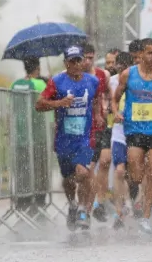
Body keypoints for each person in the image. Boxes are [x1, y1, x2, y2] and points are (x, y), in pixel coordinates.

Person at [35, 46, 103, 231]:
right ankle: (72, 204)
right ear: (66, 63)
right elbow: (39, 105)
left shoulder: (93, 81)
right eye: (72, 61)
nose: (76, 64)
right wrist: (59, 103)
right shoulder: (56, 81)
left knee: (83, 172)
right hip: (64, 138)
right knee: (68, 179)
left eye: (78, 60)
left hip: (85, 137)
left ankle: (84, 211)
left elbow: (97, 99)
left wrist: (98, 115)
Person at [112, 38, 152, 235]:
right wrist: (116, 112)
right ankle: (133, 194)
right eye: (150, 53)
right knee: (136, 176)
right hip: (134, 129)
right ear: (141, 55)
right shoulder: (128, 74)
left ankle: (146, 218)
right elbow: (115, 98)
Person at [10, 55, 50, 218]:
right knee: (40, 171)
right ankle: (39, 203)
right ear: (38, 68)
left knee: (22, 171)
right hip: (38, 136)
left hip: (20, 136)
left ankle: (23, 202)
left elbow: (10, 109)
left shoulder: (15, 84)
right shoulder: (40, 84)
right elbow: (48, 105)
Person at [83, 43, 112, 223]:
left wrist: (108, 107)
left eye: (90, 58)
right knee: (89, 168)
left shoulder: (103, 75)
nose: (87, 61)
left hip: (103, 126)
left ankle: (100, 202)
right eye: (84, 58)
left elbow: (109, 94)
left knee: (105, 161)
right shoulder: (77, 77)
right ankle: (88, 207)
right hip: (86, 128)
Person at [109, 52, 132, 229]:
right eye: (119, 66)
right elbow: (109, 100)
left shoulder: (139, 79)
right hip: (118, 134)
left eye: (125, 66)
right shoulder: (111, 81)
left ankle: (134, 203)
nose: (122, 69)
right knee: (119, 171)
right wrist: (112, 111)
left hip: (137, 132)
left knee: (136, 174)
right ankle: (119, 211)